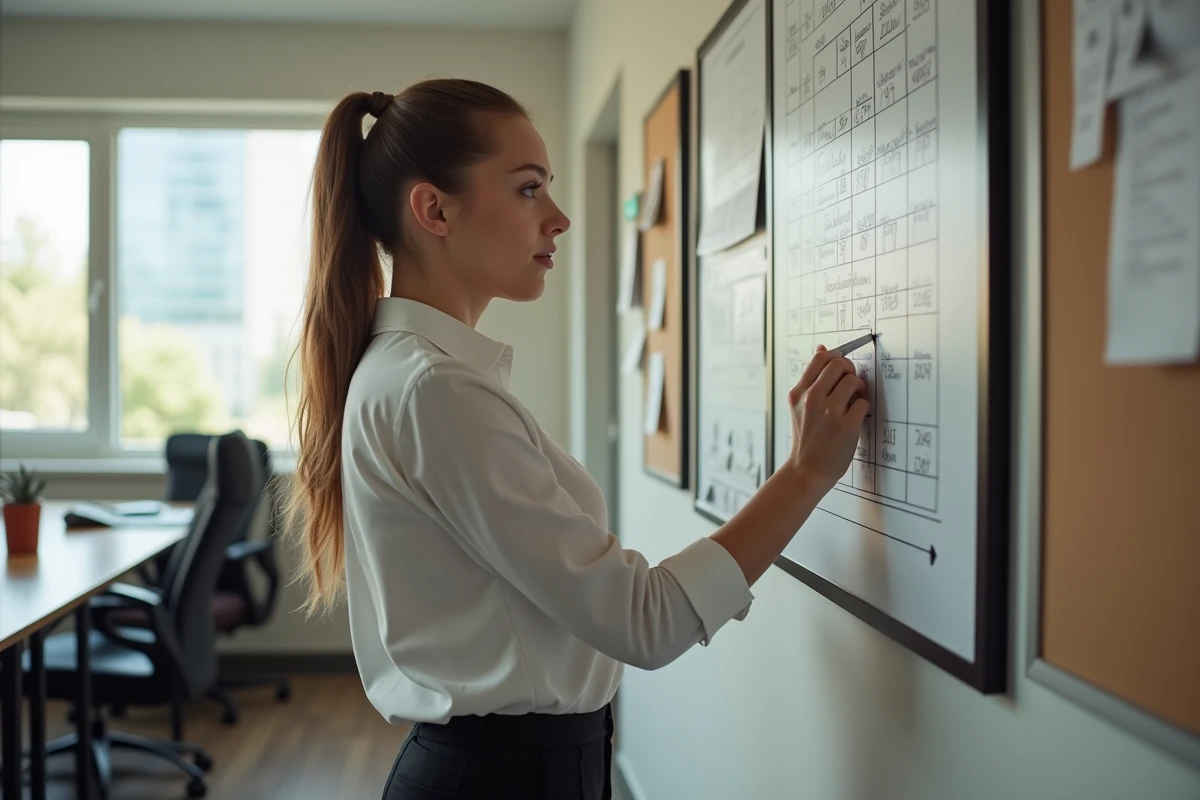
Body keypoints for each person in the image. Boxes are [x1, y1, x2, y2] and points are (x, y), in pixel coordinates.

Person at [283, 78, 868, 800]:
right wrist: (805, 473)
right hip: (501, 781)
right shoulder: (434, 390)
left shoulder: (419, 377)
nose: (558, 219)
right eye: (528, 189)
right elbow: (645, 621)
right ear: (434, 210)